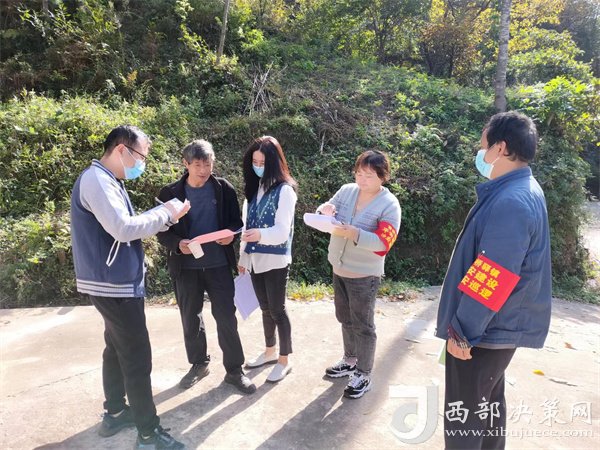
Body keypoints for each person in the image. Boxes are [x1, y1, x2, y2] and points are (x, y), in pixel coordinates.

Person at [435, 111, 552, 449]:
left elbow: (494, 273)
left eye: (483, 145)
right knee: (487, 409)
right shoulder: (522, 190)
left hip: (486, 331)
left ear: (500, 148)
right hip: (499, 326)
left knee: (464, 419)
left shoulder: (512, 200)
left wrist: (463, 331)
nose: (480, 152)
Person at [70, 125, 188, 449]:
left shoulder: (107, 180)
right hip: (114, 285)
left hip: (111, 283)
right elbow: (123, 229)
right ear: (122, 149)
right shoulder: (97, 180)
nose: (142, 164)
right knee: (137, 357)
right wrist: (165, 212)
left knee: (115, 348)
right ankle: (148, 434)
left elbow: (124, 227)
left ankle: (115, 413)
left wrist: (166, 216)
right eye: (141, 156)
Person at [157, 140, 256, 394]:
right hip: (186, 267)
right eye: (198, 165)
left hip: (218, 264)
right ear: (186, 164)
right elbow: (161, 230)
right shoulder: (170, 193)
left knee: (226, 317)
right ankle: (199, 364)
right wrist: (178, 244)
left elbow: (236, 222)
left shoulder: (223, 189)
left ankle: (234, 370)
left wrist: (231, 236)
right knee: (190, 317)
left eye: (208, 164)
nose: (203, 170)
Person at [317, 150, 401, 399]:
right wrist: (325, 210)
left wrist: (356, 234)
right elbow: (326, 211)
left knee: (363, 324)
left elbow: (383, 243)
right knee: (345, 317)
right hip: (339, 267)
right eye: (359, 174)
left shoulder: (389, 205)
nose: (362, 180)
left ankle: (363, 373)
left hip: (364, 274)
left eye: (369, 175)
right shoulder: (346, 191)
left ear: (382, 177)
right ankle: (350, 360)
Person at [238, 136, 297, 383]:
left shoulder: (285, 191)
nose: (258, 166)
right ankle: (270, 351)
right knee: (265, 309)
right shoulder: (254, 190)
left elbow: (282, 231)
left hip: (275, 260)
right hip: (255, 259)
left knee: (277, 310)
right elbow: (245, 227)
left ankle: (284, 360)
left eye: (262, 162)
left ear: (274, 162)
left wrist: (260, 235)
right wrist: (243, 257)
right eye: (254, 162)